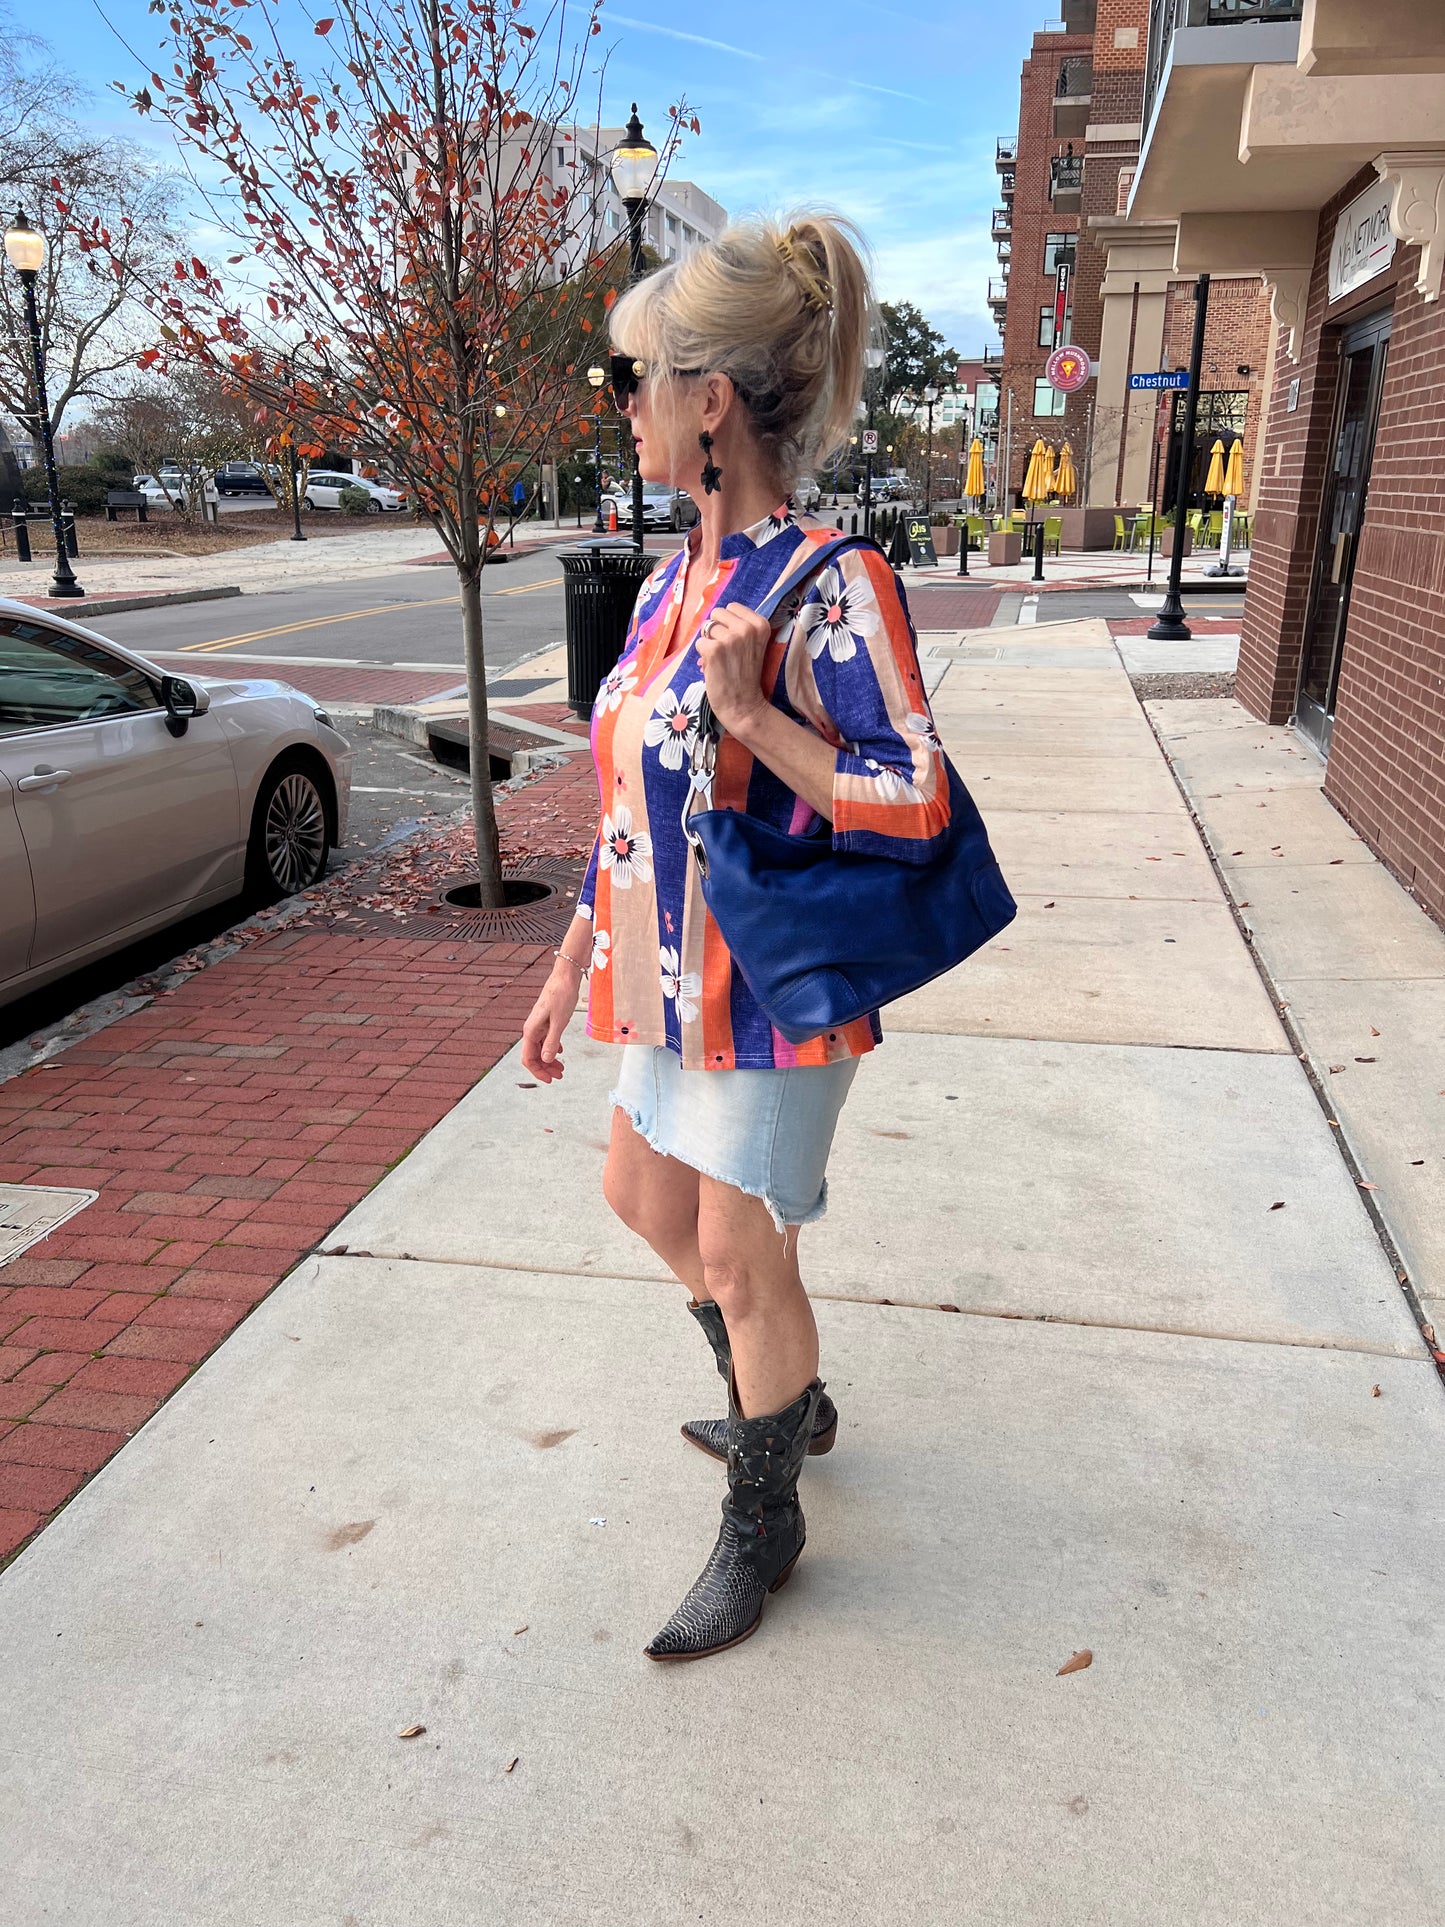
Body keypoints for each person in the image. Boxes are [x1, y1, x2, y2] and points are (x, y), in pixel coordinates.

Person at [520, 212, 950, 1662]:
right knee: (642, 1206)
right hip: (663, 982)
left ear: (707, 402)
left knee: (736, 1246)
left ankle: (763, 1519)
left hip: (772, 986)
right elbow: (627, 802)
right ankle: (788, 1400)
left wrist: (762, 716)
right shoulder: (662, 586)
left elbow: (911, 791)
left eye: (631, 380)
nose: (619, 409)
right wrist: (570, 951)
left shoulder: (828, 584)